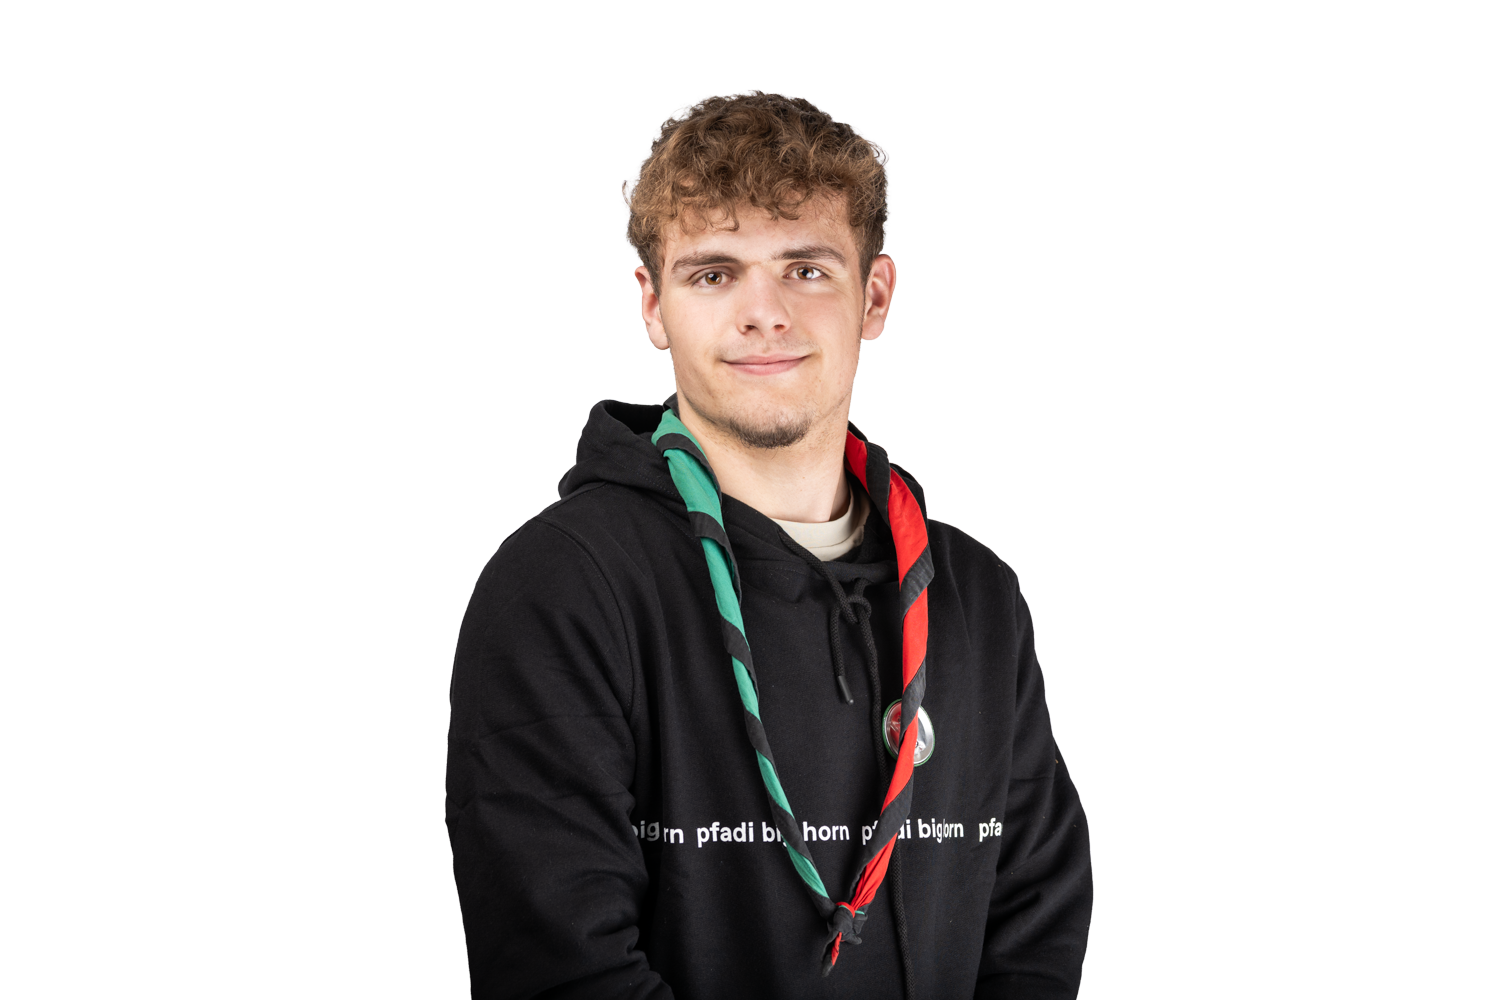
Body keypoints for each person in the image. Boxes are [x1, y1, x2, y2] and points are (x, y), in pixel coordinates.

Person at [445, 91, 1092, 1000]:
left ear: (874, 295)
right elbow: (562, 969)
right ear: (653, 306)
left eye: (807, 270)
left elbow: (1034, 923)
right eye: (714, 274)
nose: (764, 314)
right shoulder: (560, 588)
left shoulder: (974, 594)